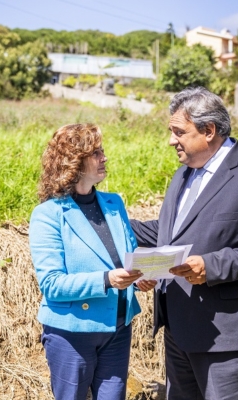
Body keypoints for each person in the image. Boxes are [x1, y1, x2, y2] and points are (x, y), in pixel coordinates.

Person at [130, 87, 238, 400]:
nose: (171, 140)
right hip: (180, 330)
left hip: (232, 337)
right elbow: (171, 233)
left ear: (208, 131)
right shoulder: (183, 174)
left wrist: (212, 266)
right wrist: (113, 225)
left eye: (179, 132)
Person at [29, 123, 156, 400]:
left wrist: (140, 277)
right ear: (74, 161)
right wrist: (106, 280)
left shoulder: (114, 203)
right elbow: (52, 285)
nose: (104, 158)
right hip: (72, 332)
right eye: (96, 152)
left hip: (118, 326)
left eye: (102, 151)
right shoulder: (48, 214)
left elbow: (128, 257)